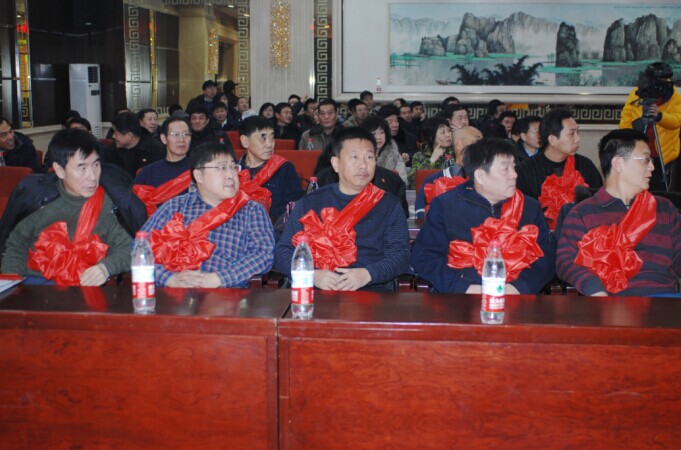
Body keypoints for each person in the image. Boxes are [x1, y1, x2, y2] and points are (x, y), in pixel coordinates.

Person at [412, 138, 555, 294]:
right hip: (461, 297)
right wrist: (464, 288)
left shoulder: (529, 207)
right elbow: (426, 257)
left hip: (518, 295)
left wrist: (519, 287)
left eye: (514, 167)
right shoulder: (445, 205)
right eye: (505, 169)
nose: (514, 174)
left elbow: (547, 255)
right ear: (480, 176)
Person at [275, 127, 411, 291]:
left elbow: (401, 255)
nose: (363, 165)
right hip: (319, 290)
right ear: (336, 164)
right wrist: (312, 274)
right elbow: (282, 252)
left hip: (371, 291)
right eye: (354, 157)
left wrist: (368, 274)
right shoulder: (310, 203)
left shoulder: (389, 205)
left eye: (369, 157)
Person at [557, 128, 681, 296]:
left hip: (665, 300)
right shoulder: (583, 213)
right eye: (645, 160)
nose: (652, 167)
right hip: (611, 301)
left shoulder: (664, 208)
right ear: (618, 164)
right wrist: (594, 288)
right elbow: (565, 261)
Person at [1, 129, 133, 285]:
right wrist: (11, 284)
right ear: (60, 170)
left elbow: (128, 248)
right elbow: (16, 246)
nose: (92, 176)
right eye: (82, 168)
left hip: (84, 285)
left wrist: (106, 268)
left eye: (96, 165)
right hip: (36, 283)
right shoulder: (39, 201)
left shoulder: (107, 203)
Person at [141, 142, 274, 288]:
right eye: (221, 168)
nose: (231, 175)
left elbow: (263, 255)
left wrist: (218, 279)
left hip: (228, 294)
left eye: (233, 167)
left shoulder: (251, 210)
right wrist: (169, 279)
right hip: (175, 292)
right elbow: (140, 248)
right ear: (199, 175)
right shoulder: (175, 207)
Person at [516, 108, 602, 230]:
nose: (578, 139)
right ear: (552, 140)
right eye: (571, 134)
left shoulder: (585, 165)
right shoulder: (525, 170)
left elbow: (598, 205)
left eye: (577, 132)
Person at [619, 62, 681, 191]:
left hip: (663, 155)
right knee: (637, 189)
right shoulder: (636, 94)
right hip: (638, 154)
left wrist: (660, 116)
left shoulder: (675, 97)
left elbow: (677, 121)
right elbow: (625, 122)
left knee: (660, 193)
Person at [237, 116, 304, 223]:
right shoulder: (233, 171)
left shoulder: (285, 168)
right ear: (245, 141)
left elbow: (292, 208)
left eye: (272, 138)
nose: (269, 144)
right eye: (263, 139)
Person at [414, 125, 482, 219]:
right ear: (459, 144)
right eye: (476, 141)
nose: (482, 146)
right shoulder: (433, 180)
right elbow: (421, 216)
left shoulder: (488, 178)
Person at [134, 116, 193, 216]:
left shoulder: (200, 170)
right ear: (164, 138)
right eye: (175, 135)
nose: (182, 139)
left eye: (186, 134)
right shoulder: (147, 172)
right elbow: (134, 207)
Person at [101, 111, 165, 178]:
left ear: (129, 136)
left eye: (116, 133)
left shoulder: (157, 150)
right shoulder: (109, 151)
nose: (113, 136)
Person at [408, 116, 456, 187]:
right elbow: (413, 182)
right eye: (442, 132)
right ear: (431, 135)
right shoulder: (419, 156)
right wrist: (431, 160)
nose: (448, 135)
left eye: (449, 131)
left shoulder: (456, 152)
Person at [360, 116, 408, 186]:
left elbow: (403, 181)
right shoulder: (358, 156)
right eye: (374, 134)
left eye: (382, 132)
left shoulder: (394, 154)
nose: (379, 137)